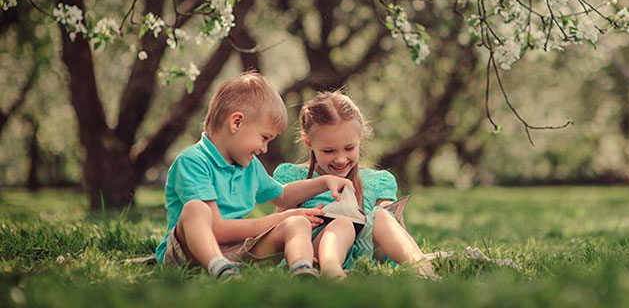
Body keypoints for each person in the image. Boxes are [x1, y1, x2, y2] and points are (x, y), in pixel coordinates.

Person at [155, 72, 353, 279]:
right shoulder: (193, 161)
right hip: (188, 254)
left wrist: (323, 182)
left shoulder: (249, 166)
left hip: (235, 249)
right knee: (196, 209)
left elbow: (282, 196)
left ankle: (302, 269)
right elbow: (217, 229)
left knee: (298, 223)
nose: (265, 149)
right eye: (264, 138)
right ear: (236, 123)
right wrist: (282, 216)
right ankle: (217, 266)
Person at [273, 91, 436, 279]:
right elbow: (279, 221)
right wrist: (315, 194)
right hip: (314, 249)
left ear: (360, 140)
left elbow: (395, 225)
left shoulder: (378, 181)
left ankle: (422, 269)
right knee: (342, 223)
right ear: (308, 142)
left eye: (349, 148)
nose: (341, 159)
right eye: (329, 151)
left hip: (363, 251)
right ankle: (332, 272)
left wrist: (387, 215)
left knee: (382, 214)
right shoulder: (293, 176)